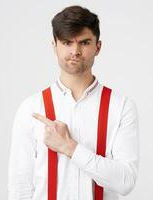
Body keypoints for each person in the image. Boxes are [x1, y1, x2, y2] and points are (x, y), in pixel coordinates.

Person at [7, 5, 139, 200]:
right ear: (54, 45)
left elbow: (126, 182)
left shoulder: (120, 106)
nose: (75, 51)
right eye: (67, 42)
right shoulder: (32, 108)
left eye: (84, 42)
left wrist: (69, 147)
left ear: (98, 47)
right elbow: (20, 186)